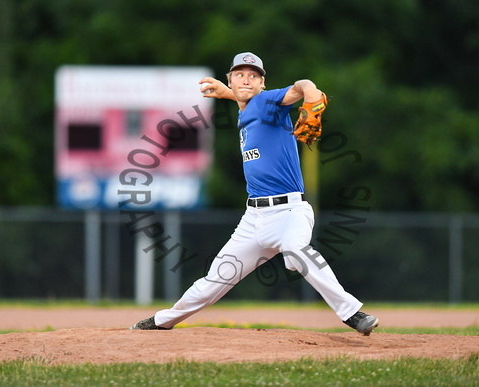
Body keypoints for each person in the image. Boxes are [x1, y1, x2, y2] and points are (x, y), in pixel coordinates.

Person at [130, 52, 379, 335]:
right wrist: (229, 94)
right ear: (230, 80)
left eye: (253, 75)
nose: (246, 79)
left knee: (297, 252)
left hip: (288, 212)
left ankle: (352, 314)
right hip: (253, 219)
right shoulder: (247, 111)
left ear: (263, 83)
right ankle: (164, 320)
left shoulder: (266, 102)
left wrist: (310, 93)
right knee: (217, 279)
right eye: (239, 75)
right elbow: (245, 101)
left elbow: (300, 87)